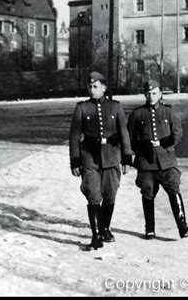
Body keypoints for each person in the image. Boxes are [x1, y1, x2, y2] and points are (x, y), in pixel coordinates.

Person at [69, 71, 132, 250]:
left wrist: (127, 158)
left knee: (110, 194)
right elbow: (74, 136)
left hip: (112, 156)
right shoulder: (82, 108)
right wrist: (75, 161)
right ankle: (96, 235)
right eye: (89, 86)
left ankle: (105, 228)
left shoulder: (115, 107)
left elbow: (124, 134)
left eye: (95, 86)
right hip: (89, 157)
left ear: (103, 88)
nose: (92, 90)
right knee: (93, 195)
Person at [127, 80, 188, 240]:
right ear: (144, 95)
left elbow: (177, 133)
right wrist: (140, 149)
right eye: (148, 93)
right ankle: (149, 229)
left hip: (166, 160)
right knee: (148, 193)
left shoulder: (168, 112)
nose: (151, 96)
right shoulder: (137, 114)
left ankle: (182, 227)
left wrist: (164, 142)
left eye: (154, 93)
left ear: (160, 94)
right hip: (146, 162)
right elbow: (129, 138)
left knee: (174, 189)